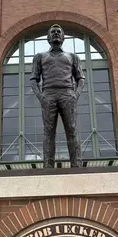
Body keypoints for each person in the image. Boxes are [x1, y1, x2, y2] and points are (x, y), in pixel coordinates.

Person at [29, 24, 85, 168]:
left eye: (58, 32)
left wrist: (76, 94)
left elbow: (80, 78)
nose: (55, 33)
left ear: (63, 37)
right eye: (52, 32)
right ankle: (48, 166)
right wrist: (41, 97)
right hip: (48, 94)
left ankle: (77, 165)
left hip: (68, 94)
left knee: (72, 129)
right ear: (48, 37)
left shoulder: (72, 57)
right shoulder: (40, 57)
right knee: (48, 131)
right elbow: (33, 79)